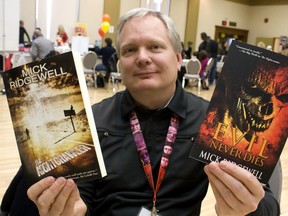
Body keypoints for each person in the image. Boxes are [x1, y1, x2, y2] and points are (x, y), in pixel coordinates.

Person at [26, 8, 279, 216]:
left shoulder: (213, 121)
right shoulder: (89, 120)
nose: (143, 57)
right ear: (119, 63)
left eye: (155, 47)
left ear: (178, 58)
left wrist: (249, 209)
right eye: (130, 50)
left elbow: (268, 204)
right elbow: (81, 200)